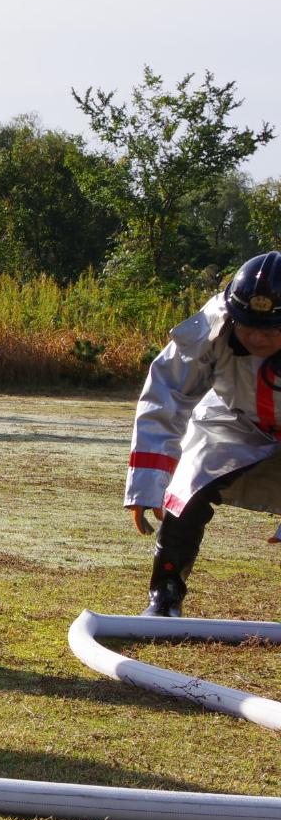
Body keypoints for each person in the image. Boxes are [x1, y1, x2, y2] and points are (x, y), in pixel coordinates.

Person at [126, 250, 281, 616]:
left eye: (271, 330)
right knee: (186, 490)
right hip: (234, 420)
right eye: (248, 326)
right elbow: (165, 396)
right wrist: (147, 484)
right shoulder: (214, 324)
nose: (257, 338)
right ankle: (164, 595)